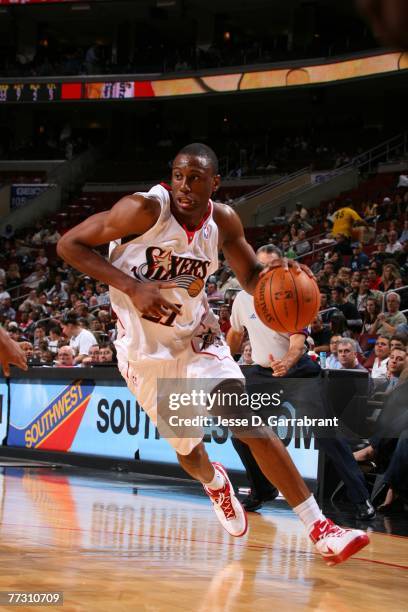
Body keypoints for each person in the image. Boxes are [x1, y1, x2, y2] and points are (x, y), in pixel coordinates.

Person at [57, 142, 369, 564]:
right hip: (146, 351)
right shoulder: (142, 210)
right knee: (190, 452)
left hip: (197, 337)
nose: (184, 186)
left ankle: (320, 527)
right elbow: (69, 244)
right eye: (179, 175)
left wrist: (288, 275)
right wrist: (131, 286)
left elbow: (255, 278)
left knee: (244, 416)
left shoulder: (222, 220)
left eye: (196, 178)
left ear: (215, 182)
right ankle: (215, 483)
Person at [227, 245, 374, 519]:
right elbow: (236, 334)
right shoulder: (242, 299)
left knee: (326, 434)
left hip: (297, 370)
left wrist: (289, 361)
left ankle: (361, 498)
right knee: (242, 433)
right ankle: (263, 489)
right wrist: (224, 357)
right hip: (263, 373)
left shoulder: (291, 291)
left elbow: (297, 341)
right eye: (262, 267)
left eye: (273, 266)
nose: (266, 272)